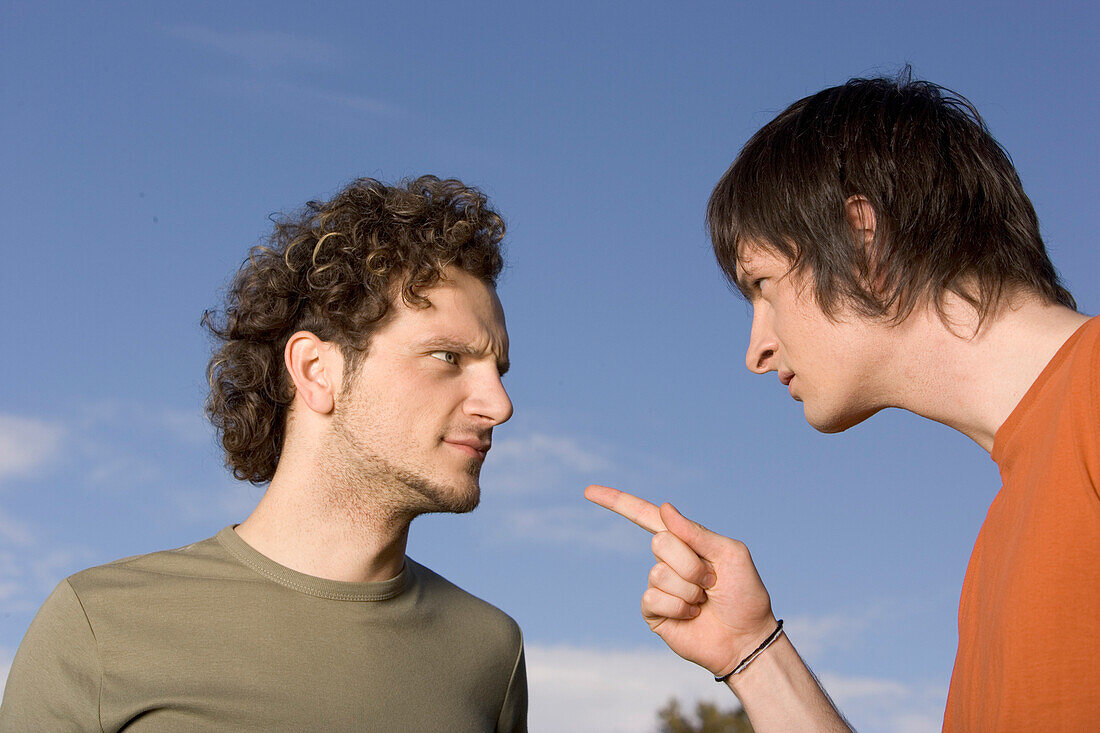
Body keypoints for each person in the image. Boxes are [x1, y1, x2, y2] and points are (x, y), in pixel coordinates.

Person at [587, 73, 1099, 731]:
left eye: (764, 285)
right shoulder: (1001, 541)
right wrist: (752, 651)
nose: (757, 349)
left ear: (863, 239)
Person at [1, 176, 527, 732]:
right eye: (447, 356)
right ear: (315, 370)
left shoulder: (490, 650)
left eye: (499, 370)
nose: (499, 403)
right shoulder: (99, 625)